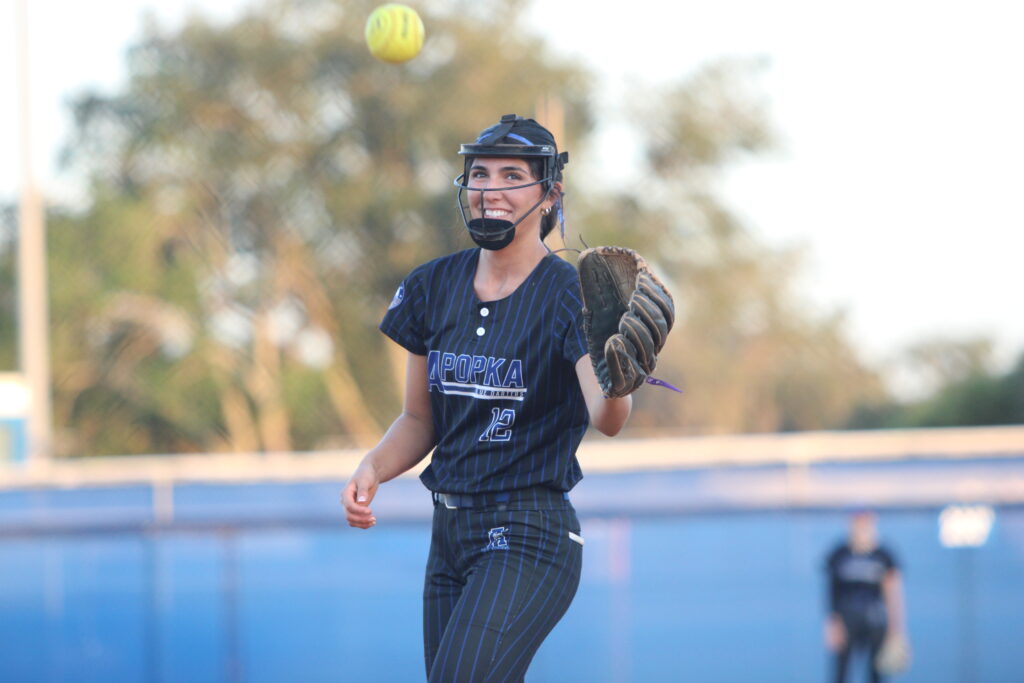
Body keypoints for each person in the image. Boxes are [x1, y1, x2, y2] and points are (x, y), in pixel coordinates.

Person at [341, 114, 638, 682]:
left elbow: (607, 417)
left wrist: (622, 376)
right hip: (449, 535)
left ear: (550, 194)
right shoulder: (433, 285)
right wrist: (374, 465)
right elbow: (418, 418)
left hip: (530, 532)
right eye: (478, 174)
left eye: (511, 175)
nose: (488, 189)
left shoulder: (568, 292)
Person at [824, 507, 909, 683]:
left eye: (865, 522)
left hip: (875, 620)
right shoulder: (840, 554)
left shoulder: (883, 555)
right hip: (847, 620)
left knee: (875, 673)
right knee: (841, 673)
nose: (861, 526)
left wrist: (897, 630)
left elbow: (893, 593)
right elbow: (831, 590)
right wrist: (832, 623)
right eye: (857, 522)